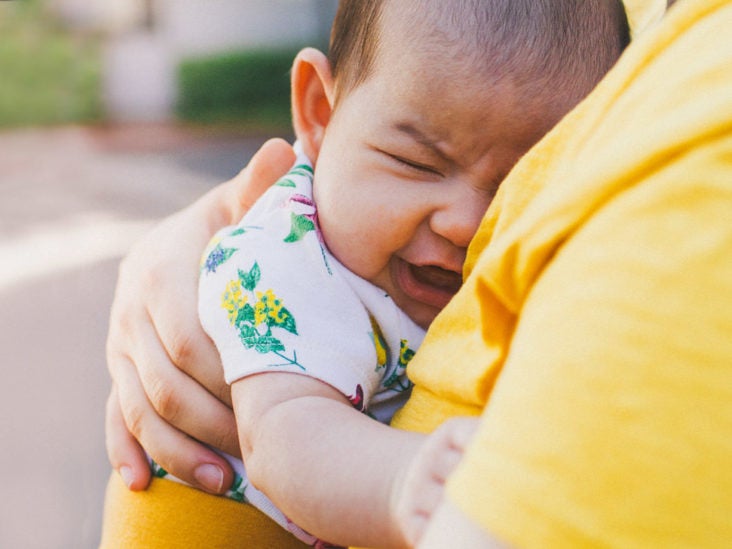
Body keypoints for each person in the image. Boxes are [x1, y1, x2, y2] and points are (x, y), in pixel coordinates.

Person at [105, 0, 732, 547]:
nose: (463, 223)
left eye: (517, 184)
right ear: (320, 113)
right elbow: (283, 438)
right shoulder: (287, 259)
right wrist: (408, 482)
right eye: (416, 163)